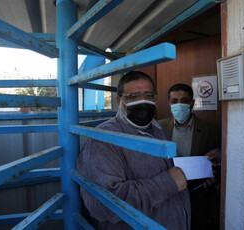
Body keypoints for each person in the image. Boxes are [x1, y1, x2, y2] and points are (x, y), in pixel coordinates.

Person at [77, 71, 191, 230]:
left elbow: (175, 172)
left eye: (148, 95)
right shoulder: (103, 139)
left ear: (156, 99)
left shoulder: (159, 130)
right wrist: (167, 184)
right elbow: (103, 205)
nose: (143, 101)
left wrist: (197, 172)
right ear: (119, 100)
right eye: (133, 96)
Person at [158, 83, 221, 230]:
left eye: (184, 101)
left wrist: (214, 173)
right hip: (168, 191)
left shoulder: (211, 130)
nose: (179, 105)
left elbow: (219, 165)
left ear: (192, 103)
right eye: (174, 101)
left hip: (198, 194)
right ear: (169, 103)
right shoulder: (159, 127)